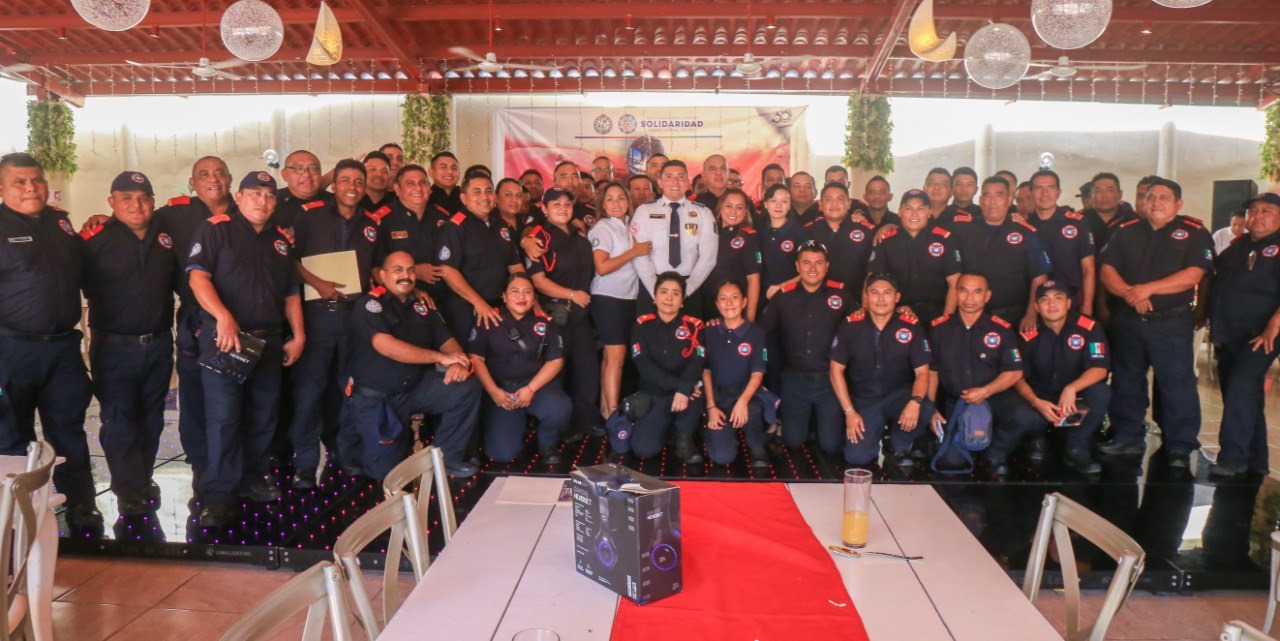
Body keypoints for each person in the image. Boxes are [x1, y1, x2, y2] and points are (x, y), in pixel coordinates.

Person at [186, 171, 305, 527]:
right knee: (224, 418)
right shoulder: (216, 230)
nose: (262, 201)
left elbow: (291, 293)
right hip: (227, 338)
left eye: (268, 196)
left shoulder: (279, 242)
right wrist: (223, 316)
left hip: (268, 340)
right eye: (254, 193)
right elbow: (197, 277)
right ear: (238, 197)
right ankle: (218, 495)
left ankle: (252, 478)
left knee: (263, 414)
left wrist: (299, 335)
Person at [0, 152, 101, 530]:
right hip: (12, 351)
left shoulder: (61, 223)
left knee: (69, 432)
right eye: (19, 182)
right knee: (12, 436)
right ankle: (16, 519)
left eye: (37, 180)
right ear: (2, 188)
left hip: (62, 350)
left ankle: (81, 506)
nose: (31, 188)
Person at [1098, 177, 1213, 469]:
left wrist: (1147, 290)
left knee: (1177, 384)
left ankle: (1179, 445)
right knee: (1127, 381)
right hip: (1129, 320)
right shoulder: (1126, 229)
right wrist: (1130, 293)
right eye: (1150, 197)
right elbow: (1107, 270)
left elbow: (1194, 274)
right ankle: (1126, 437)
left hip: (1170, 323)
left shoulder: (1194, 232)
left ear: (1178, 203)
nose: (1156, 202)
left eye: (1164, 198)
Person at [81, 171, 177, 517]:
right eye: (126, 198)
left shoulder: (167, 235)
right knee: (120, 421)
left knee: (152, 419)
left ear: (152, 202)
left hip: (159, 345)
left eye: (143, 198)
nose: (136, 205)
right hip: (114, 349)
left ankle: (142, 479)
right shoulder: (93, 239)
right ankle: (127, 489)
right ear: (112, 202)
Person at [287, 159, 383, 488]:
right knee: (308, 393)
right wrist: (318, 283)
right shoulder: (309, 215)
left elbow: (376, 268)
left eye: (358, 181)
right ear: (334, 185)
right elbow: (288, 259)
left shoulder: (372, 223)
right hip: (317, 316)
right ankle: (304, 463)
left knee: (349, 390)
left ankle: (345, 453)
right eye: (345, 180)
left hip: (355, 318)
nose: (352, 187)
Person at [345, 251, 480, 480]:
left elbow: (445, 338)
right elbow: (387, 346)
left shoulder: (421, 306)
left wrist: (457, 361)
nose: (405, 275)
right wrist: (440, 358)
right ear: (383, 275)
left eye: (410, 270)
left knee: (466, 388)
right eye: (398, 270)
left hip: (414, 389)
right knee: (387, 476)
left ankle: (447, 460)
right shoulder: (369, 305)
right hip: (378, 400)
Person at [153, 156, 236, 494]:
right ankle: (202, 464)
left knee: (238, 398)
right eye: (204, 174)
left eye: (219, 173)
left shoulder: (247, 210)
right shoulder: (174, 215)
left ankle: (239, 466)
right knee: (196, 394)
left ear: (230, 178)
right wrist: (103, 219)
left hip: (242, 319)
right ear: (193, 182)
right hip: (195, 318)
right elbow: (136, 219)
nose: (213, 179)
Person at [927, 273, 1038, 478]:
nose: (970, 298)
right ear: (956, 294)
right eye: (964, 291)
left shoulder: (1002, 329)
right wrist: (930, 408)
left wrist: (985, 391)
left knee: (1026, 417)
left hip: (994, 397)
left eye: (977, 292)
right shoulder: (939, 329)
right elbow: (931, 372)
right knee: (952, 462)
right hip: (957, 401)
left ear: (987, 296)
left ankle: (995, 453)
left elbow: (1015, 371)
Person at [1207, 193, 1280, 478]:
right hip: (1231, 334)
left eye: (1266, 211)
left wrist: (1274, 324)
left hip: (1262, 334)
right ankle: (1257, 461)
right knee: (1242, 393)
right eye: (1253, 211)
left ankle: (1232, 457)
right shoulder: (1241, 245)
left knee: (1240, 385)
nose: (1257, 216)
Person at [828, 272, 931, 471]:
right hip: (865, 400)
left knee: (925, 409)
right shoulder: (851, 325)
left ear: (897, 297)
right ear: (866, 296)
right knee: (857, 457)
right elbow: (835, 370)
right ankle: (877, 435)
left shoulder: (911, 326)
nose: (881, 299)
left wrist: (915, 402)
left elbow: (923, 372)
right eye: (875, 293)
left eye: (887, 293)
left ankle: (898, 443)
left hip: (898, 396)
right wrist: (850, 412)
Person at [468, 273, 571, 466]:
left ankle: (547, 444)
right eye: (514, 291)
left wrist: (530, 389)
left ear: (534, 297)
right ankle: (517, 427)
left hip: (535, 387)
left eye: (527, 292)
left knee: (560, 408)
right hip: (501, 391)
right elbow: (476, 358)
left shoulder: (545, 323)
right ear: (504, 296)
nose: (521, 296)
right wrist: (493, 391)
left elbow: (555, 361)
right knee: (501, 454)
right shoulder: (488, 320)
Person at [760, 242, 852, 454]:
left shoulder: (842, 295)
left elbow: (862, 324)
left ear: (827, 266)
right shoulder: (783, 297)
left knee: (831, 446)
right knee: (792, 441)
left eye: (819, 263)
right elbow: (760, 331)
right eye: (807, 262)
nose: (812, 268)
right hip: (795, 380)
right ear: (797, 266)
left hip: (830, 381)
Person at [527, 188, 603, 439]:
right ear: (545, 208)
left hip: (580, 316)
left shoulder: (579, 235)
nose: (563, 208)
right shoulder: (539, 237)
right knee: (558, 372)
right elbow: (537, 281)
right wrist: (571, 294)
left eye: (567, 204)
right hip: (554, 315)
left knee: (587, 370)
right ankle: (560, 427)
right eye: (556, 204)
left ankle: (586, 421)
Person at [1014, 281, 1111, 475]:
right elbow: (1016, 377)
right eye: (1045, 300)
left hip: (1074, 398)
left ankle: (1077, 447)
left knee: (1101, 393)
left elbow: (1100, 368)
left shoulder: (1088, 327)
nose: (1051, 304)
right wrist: (1035, 401)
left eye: (1058, 298)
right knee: (1017, 406)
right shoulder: (1028, 333)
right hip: (1040, 398)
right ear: (1036, 307)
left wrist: (1071, 388)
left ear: (1068, 303)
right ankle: (1035, 438)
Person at [616, 272, 706, 463]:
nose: (669, 298)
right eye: (664, 292)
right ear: (655, 297)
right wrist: (680, 387)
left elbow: (697, 362)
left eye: (675, 293)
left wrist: (684, 388)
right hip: (655, 394)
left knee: (696, 391)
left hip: (688, 395)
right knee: (643, 449)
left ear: (682, 301)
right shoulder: (641, 326)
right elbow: (644, 366)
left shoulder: (694, 326)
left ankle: (683, 438)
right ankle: (668, 427)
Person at [950, 177, 1051, 333]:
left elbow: (1039, 277)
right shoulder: (963, 230)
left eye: (999, 195)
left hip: (1012, 315)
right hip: (969, 314)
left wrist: (1031, 313)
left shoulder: (1025, 232)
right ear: (980, 200)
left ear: (1009, 200)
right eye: (987, 196)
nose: (992, 202)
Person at [436, 173, 524, 343]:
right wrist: (479, 303)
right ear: (464, 198)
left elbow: (515, 265)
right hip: (467, 308)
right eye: (477, 192)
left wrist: (526, 293)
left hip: (500, 306)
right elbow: (447, 270)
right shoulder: (454, 227)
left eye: (488, 191)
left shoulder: (500, 224)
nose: (484, 196)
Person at [589, 182, 649, 418]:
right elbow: (602, 267)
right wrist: (634, 251)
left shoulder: (628, 226)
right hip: (608, 298)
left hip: (626, 298)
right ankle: (614, 418)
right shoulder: (603, 227)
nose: (616, 203)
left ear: (628, 201)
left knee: (610, 358)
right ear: (603, 205)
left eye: (621, 198)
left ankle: (606, 412)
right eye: (610, 199)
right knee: (616, 358)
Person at [632, 160, 719, 319]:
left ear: (687, 182)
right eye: (669, 177)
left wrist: (685, 291)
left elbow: (709, 258)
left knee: (689, 335)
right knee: (649, 334)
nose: (675, 182)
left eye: (680, 177)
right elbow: (639, 256)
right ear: (660, 182)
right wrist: (656, 291)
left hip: (690, 289)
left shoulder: (703, 213)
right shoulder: (644, 211)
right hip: (652, 287)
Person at [701, 280, 769, 468]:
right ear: (717, 304)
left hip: (746, 394)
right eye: (723, 299)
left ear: (744, 301)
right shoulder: (709, 331)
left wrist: (743, 401)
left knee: (753, 409)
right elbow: (705, 370)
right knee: (722, 457)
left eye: (734, 297)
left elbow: (758, 372)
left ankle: (756, 443)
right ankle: (718, 435)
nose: (729, 303)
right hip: (719, 397)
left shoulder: (756, 333)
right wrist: (711, 406)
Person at [867, 189, 960, 323]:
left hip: (937, 313)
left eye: (920, 209)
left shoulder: (945, 239)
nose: (914, 214)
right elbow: (872, 280)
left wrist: (946, 321)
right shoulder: (886, 242)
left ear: (929, 212)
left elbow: (955, 283)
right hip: (898, 314)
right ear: (900, 211)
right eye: (908, 208)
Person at [1026, 170, 1096, 316]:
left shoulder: (1077, 223)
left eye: (1050, 188)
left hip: (1070, 302)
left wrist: (1087, 306)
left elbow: (1088, 268)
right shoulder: (1023, 224)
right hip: (1031, 304)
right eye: (1039, 188)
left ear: (1058, 192)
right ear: (1031, 193)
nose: (1045, 193)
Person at [378, 165, 450, 303]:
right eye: (410, 184)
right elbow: (376, 267)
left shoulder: (442, 217)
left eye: (423, 183)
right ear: (397, 189)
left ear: (429, 188)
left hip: (445, 294)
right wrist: (414, 272)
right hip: (403, 297)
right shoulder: (384, 219)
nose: (418, 188)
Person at [803, 182, 875, 303]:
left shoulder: (866, 231)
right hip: (816, 302)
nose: (834, 204)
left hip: (856, 303)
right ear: (820, 204)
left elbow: (875, 269)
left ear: (849, 203)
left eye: (840, 199)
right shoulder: (808, 232)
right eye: (829, 199)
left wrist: (868, 295)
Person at [706, 189, 762, 320]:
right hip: (707, 307)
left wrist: (749, 319)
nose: (733, 212)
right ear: (721, 207)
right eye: (729, 206)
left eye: (739, 207)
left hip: (734, 310)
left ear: (745, 211)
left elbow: (753, 279)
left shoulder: (748, 237)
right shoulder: (708, 232)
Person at [758, 183, 809, 301]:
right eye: (773, 200)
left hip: (792, 295)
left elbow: (808, 270)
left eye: (784, 201)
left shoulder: (800, 232)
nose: (778, 205)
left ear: (789, 205)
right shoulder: (759, 231)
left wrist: (782, 286)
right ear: (765, 204)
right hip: (763, 296)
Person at [275, 150, 333, 229]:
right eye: (299, 168)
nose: (307, 174)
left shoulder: (335, 203)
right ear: (284, 174)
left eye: (313, 169)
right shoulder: (272, 202)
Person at [1081, 172, 1136, 248]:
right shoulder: (1079, 220)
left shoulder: (1132, 220)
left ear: (1120, 194)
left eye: (1110, 190)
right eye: (1099, 191)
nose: (1104, 196)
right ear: (1091, 196)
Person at [359, 150, 397, 215]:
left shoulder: (398, 202)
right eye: (373, 169)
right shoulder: (352, 200)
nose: (379, 174)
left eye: (385, 171)